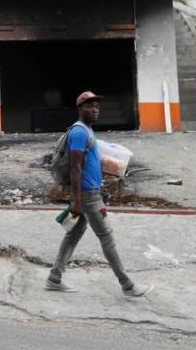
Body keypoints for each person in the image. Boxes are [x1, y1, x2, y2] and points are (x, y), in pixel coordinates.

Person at [46, 91, 153, 297]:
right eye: (89, 105)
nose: (95, 109)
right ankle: (127, 285)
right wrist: (77, 200)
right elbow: (75, 169)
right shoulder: (79, 133)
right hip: (87, 196)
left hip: (90, 192)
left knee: (73, 234)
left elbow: (87, 163)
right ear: (80, 109)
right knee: (106, 236)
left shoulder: (88, 130)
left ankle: (54, 277)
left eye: (96, 106)